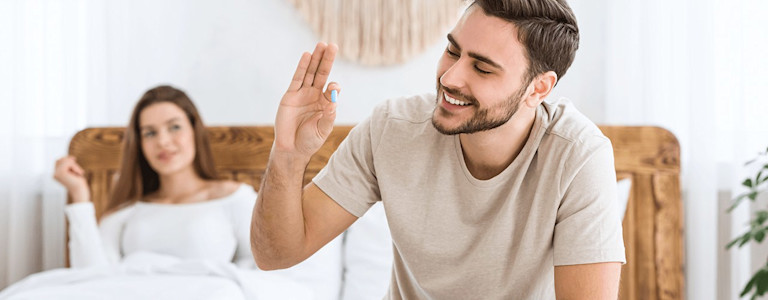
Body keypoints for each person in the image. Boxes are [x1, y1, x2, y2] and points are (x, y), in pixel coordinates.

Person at [251, 0, 625, 299]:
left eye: (482, 68)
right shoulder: (391, 129)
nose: (449, 77)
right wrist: (288, 153)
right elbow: (275, 254)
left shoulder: (578, 156)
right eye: (452, 50)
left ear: (538, 89)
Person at [53, 85, 252, 268]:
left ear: (194, 130)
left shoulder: (234, 199)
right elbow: (89, 277)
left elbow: (261, 269)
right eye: (149, 133)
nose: (163, 142)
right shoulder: (127, 209)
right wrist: (79, 197)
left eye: (174, 127)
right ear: (139, 145)